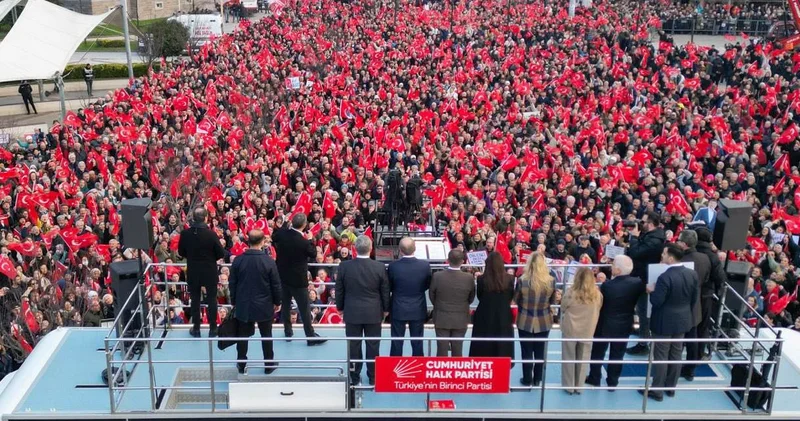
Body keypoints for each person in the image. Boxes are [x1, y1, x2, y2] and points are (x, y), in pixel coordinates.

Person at [640, 244, 699, 402]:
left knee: (661, 356)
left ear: (671, 258)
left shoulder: (665, 277)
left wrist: (651, 291)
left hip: (663, 322)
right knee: (676, 354)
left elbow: (657, 302)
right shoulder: (692, 274)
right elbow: (694, 299)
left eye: (664, 253)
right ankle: (671, 388)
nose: (662, 255)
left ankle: (657, 390)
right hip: (683, 320)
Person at [335, 235, 390, 385]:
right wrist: (386, 309)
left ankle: (354, 377)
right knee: (373, 345)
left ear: (354, 248)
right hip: (373, 312)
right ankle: (373, 377)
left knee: (354, 345)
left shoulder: (344, 267)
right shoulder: (379, 267)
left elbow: (339, 290)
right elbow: (385, 291)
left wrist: (339, 308)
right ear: (371, 249)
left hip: (352, 312)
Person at [586, 256, 644, 390]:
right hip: (624, 324)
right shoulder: (637, 283)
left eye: (613, 265)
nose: (611, 267)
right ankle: (613, 382)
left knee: (598, 353)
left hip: (605, 323)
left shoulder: (607, 285)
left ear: (617, 270)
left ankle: (595, 378)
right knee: (617, 354)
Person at [229, 230, 282, 374]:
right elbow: (275, 285)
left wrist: (234, 301)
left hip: (243, 304)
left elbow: (232, 283)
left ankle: (241, 364)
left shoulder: (238, 260)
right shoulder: (269, 261)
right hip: (264, 305)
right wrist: (278, 302)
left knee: (242, 336)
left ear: (247, 240)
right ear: (263, 242)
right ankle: (268, 364)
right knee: (266, 335)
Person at [272, 213, 325, 345]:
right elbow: (313, 253)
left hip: (283, 277)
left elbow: (275, 236)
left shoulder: (283, 234)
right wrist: (311, 239)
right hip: (298, 281)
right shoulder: (303, 242)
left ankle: (288, 331)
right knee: (304, 308)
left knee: (285, 305)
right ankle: (310, 336)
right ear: (304, 225)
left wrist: (285, 225)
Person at [178, 208, 225, 337]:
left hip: (193, 270)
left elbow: (181, 253)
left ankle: (197, 329)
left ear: (193, 218)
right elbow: (221, 253)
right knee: (212, 300)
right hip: (209, 270)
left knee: (195, 300)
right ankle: (213, 329)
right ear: (205, 218)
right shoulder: (211, 234)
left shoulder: (185, 234)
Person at [626, 211, 666, 355]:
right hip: (642, 276)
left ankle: (644, 343)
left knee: (643, 312)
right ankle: (643, 334)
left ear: (650, 224)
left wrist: (635, 238)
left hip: (646, 279)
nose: (640, 224)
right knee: (640, 309)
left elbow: (636, 252)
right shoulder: (651, 236)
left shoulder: (655, 240)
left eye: (643, 222)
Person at [515, 252, 557, 387]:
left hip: (525, 319)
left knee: (526, 351)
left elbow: (516, 299)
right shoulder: (551, 280)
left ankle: (527, 379)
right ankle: (537, 378)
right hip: (543, 320)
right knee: (540, 351)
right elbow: (553, 301)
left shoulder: (522, 280)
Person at [560, 267, 602, 394]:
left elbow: (562, 307)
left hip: (570, 329)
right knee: (583, 358)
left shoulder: (570, 293)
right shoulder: (598, 295)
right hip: (588, 330)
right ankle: (579, 386)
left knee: (569, 357)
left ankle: (569, 386)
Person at [387, 237, 431, 356]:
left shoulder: (393, 266)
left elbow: (389, 286)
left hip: (398, 308)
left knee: (396, 342)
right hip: (417, 308)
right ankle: (418, 371)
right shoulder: (425, 266)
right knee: (417, 342)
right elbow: (426, 285)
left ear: (400, 250)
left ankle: (394, 371)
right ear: (415, 249)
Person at [676, 229, 709, 381]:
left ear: (684, 243)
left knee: (678, 339)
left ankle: (673, 369)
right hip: (696, 304)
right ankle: (690, 370)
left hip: (681, 303)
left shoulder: (681, 260)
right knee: (692, 338)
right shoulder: (705, 258)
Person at [429, 249, 475, 357]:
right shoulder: (468, 277)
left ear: (448, 260)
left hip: (441, 317)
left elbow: (432, 296)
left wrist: (440, 306)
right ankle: (456, 373)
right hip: (460, 318)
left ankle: (441, 372)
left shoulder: (437, 276)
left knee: (441, 349)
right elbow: (471, 298)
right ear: (462, 261)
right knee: (458, 349)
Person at [469, 251, 514, 359]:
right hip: (503, 314)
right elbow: (510, 296)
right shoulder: (510, 279)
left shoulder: (481, 279)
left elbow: (479, 296)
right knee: (502, 342)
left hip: (485, 313)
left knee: (483, 343)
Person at [694, 225, 726, 358]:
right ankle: (700, 353)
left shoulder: (687, 253)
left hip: (687, 293)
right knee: (702, 326)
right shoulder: (713, 257)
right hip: (705, 294)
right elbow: (720, 278)